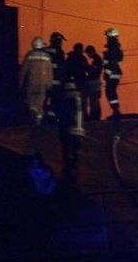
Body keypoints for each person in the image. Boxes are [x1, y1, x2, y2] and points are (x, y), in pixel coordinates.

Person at [59, 46, 86, 182]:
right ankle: (74, 163)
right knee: (75, 147)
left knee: (68, 146)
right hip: (78, 129)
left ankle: (70, 164)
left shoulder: (67, 65)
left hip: (69, 127)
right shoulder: (79, 98)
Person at [19, 36, 54, 128]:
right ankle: (38, 119)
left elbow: (24, 70)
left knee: (31, 102)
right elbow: (50, 72)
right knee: (40, 103)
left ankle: (32, 117)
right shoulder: (47, 56)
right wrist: (49, 84)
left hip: (31, 83)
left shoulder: (30, 55)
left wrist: (20, 82)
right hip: (43, 84)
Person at [44, 31, 67, 122]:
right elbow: (62, 67)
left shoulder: (45, 50)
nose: (61, 43)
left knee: (45, 98)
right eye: (60, 41)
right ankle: (53, 117)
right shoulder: (59, 51)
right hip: (56, 80)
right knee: (55, 99)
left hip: (45, 79)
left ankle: (44, 116)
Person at [103, 27, 124, 121]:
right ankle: (116, 111)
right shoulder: (115, 47)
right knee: (111, 92)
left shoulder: (113, 47)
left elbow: (112, 62)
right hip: (114, 73)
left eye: (107, 36)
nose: (106, 38)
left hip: (112, 73)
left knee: (110, 91)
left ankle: (116, 111)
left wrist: (107, 73)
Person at [84, 45, 103, 121]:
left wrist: (86, 66)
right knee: (94, 99)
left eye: (88, 53)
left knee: (94, 99)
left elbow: (94, 71)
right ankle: (94, 115)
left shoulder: (97, 60)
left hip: (94, 82)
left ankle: (95, 116)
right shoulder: (96, 59)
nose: (88, 56)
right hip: (95, 81)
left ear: (91, 51)